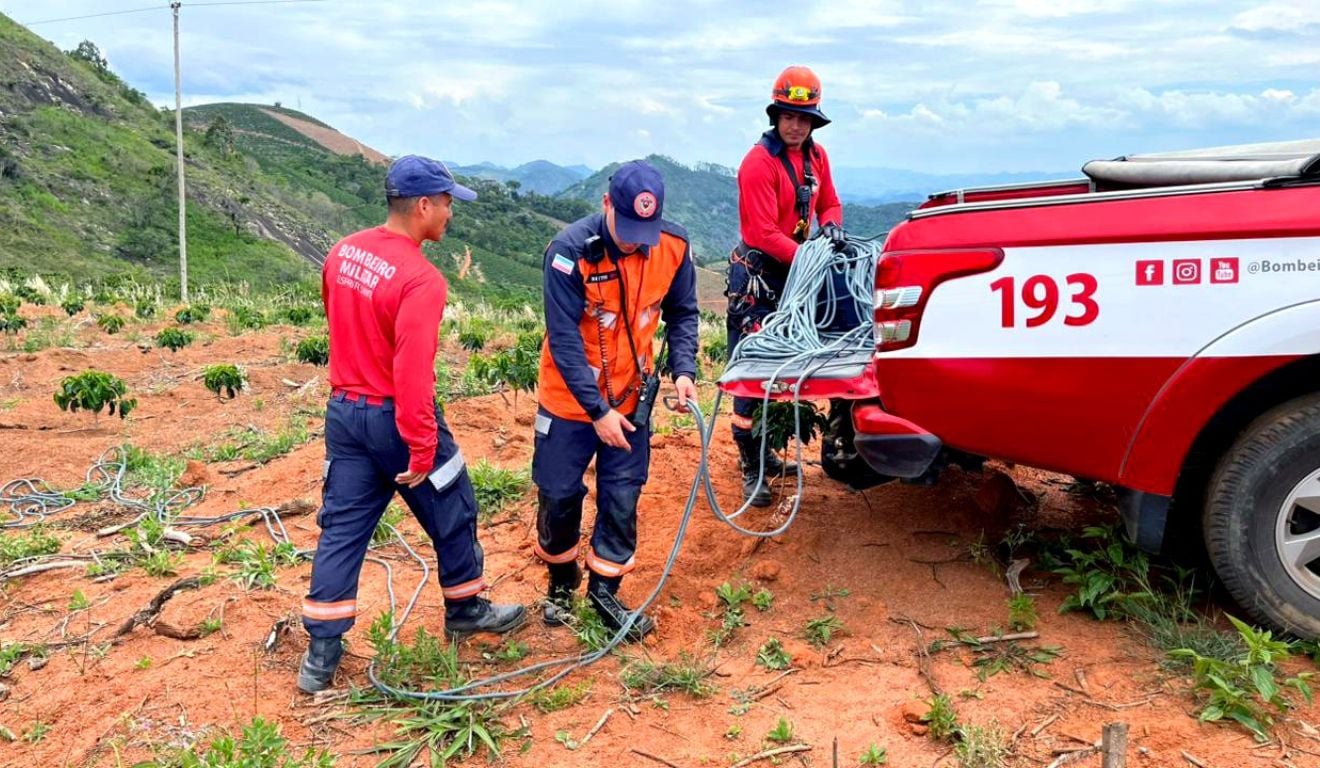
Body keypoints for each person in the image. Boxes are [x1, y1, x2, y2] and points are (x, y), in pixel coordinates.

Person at [298, 156, 526, 694]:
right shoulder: (422, 279)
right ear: (423, 205)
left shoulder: (343, 251)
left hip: (345, 413)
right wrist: (422, 447)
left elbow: (336, 318)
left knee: (344, 527)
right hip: (395, 417)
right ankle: (466, 608)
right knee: (454, 504)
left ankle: (320, 656)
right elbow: (412, 371)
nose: (451, 213)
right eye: (447, 203)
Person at [533, 159, 699, 639]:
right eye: (625, 230)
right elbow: (563, 339)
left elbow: (683, 312)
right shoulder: (569, 253)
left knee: (622, 496)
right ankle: (562, 578)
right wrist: (596, 411)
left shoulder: (673, 246)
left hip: (631, 395)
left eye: (641, 232)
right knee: (559, 493)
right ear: (606, 204)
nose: (632, 242)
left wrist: (683, 370)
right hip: (570, 400)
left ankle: (605, 590)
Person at [726, 65, 846, 507]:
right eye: (789, 116)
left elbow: (830, 202)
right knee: (752, 370)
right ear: (776, 116)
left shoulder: (817, 158)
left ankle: (770, 452)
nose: (796, 125)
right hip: (760, 276)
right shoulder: (759, 164)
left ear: (813, 120)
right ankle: (751, 469)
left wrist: (830, 230)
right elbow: (760, 232)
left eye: (804, 118)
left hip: (796, 270)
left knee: (788, 368)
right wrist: (812, 258)